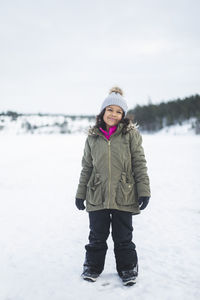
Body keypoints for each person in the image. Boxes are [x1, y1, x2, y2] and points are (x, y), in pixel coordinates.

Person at [75, 87, 151, 286]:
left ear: (123, 115)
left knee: (123, 237)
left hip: (124, 193)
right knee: (96, 236)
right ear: (103, 112)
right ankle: (92, 267)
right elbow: (87, 167)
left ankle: (127, 268)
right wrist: (80, 193)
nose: (114, 114)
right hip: (96, 192)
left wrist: (144, 190)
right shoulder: (92, 137)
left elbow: (139, 163)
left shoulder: (130, 135)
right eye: (110, 110)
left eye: (119, 111)